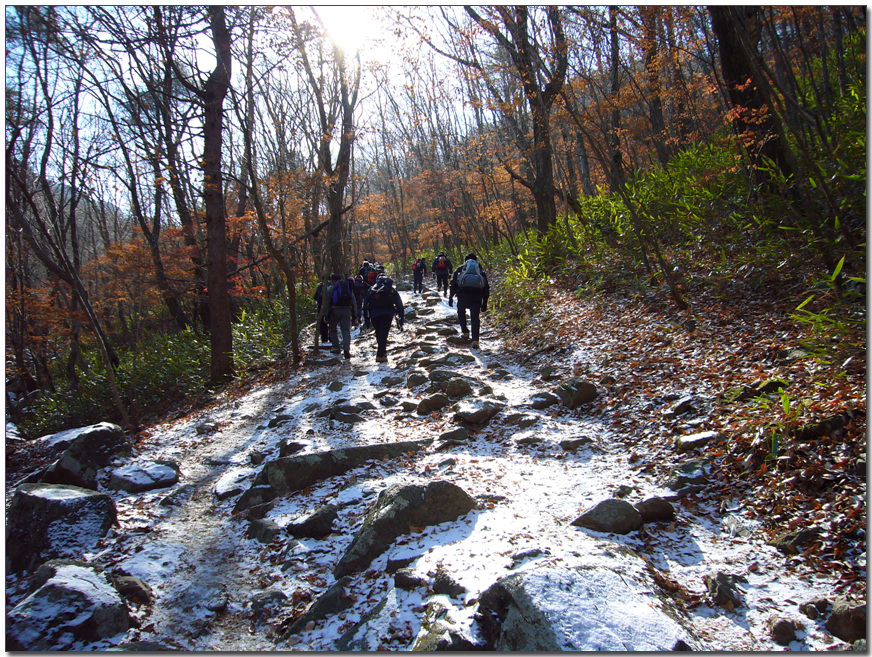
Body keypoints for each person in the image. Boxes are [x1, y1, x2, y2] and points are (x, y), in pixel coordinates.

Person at [448, 253, 489, 349]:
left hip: (463, 296)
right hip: (476, 297)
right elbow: (486, 288)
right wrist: (484, 303)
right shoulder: (480, 270)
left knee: (461, 312)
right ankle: (475, 340)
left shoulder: (460, 269)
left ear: (465, 260)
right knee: (475, 318)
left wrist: (451, 297)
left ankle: (465, 332)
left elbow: (453, 284)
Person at [362, 275, 404, 363]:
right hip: (388, 314)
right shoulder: (391, 290)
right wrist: (401, 319)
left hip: (374, 314)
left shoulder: (372, 289)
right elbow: (399, 304)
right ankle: (380, 355)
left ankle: (382, 352)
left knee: (379, 333)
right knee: (384, 334)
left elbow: (365, 304)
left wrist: (366, 319)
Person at [322, 273, 357, 359]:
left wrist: (326, 315)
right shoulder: (347, 287)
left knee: (332, 329)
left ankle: (336, 347)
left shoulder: (331, 289)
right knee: (345, 330)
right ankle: (346, 349)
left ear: (332, 280)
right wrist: (355, 314)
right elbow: (353, 301)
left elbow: (327, 303)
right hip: (347, 310)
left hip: (335, 311)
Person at [312, 278, 329, 346]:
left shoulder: (319, 287)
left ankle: (324, 339)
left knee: (322, 324)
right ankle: (332, 338)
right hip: (331, 307)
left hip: (321, 307)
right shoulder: (332, 286)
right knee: (332, 323)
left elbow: (315, 297)